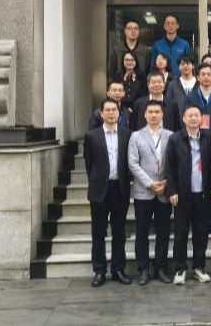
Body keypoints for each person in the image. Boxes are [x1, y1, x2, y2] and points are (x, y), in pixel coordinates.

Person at [84, 99, 133, 287]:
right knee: (98, 232)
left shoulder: (127, 134)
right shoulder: (91, 136)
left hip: (119, 189)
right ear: (101, 113)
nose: (111, 113)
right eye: (108, 110)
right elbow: (89, 164)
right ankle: (99, 270)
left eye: (114, 110)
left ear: (119, 114)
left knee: (119, 232)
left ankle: (118, 269)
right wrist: (97, 180)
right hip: (99, 190)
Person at [165, 102, 211, 285]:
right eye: (190, 115)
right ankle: (180, 268)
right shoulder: (175, 139)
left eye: (196, 115)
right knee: (181, 233)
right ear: (183, 119)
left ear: (202, 118)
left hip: (203, 193)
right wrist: (172, 191)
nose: (193, 118)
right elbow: (170, 168)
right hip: (183, 194)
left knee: (201, 233)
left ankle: (199, 267)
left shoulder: (208, 137)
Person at [128, 101, 174, 285]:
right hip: (144, 192)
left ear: (162, 115)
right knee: (142, 232)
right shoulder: (136, 136)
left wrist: (165, 183)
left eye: (157, 112)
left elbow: (175, 163)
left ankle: (161, 268)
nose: (154, 115)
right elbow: (133, 164)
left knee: (163, 232)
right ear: (145, 115)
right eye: (150, 112)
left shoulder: (170, 136)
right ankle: (144, 268)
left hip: (164, 191)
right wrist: (149, 183)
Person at [184, 62, 211, 131]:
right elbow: (186, 118)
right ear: (198, 77)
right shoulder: (190, 97)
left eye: (209, 74)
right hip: (196, 134)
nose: (206, 77)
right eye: (203, 74)